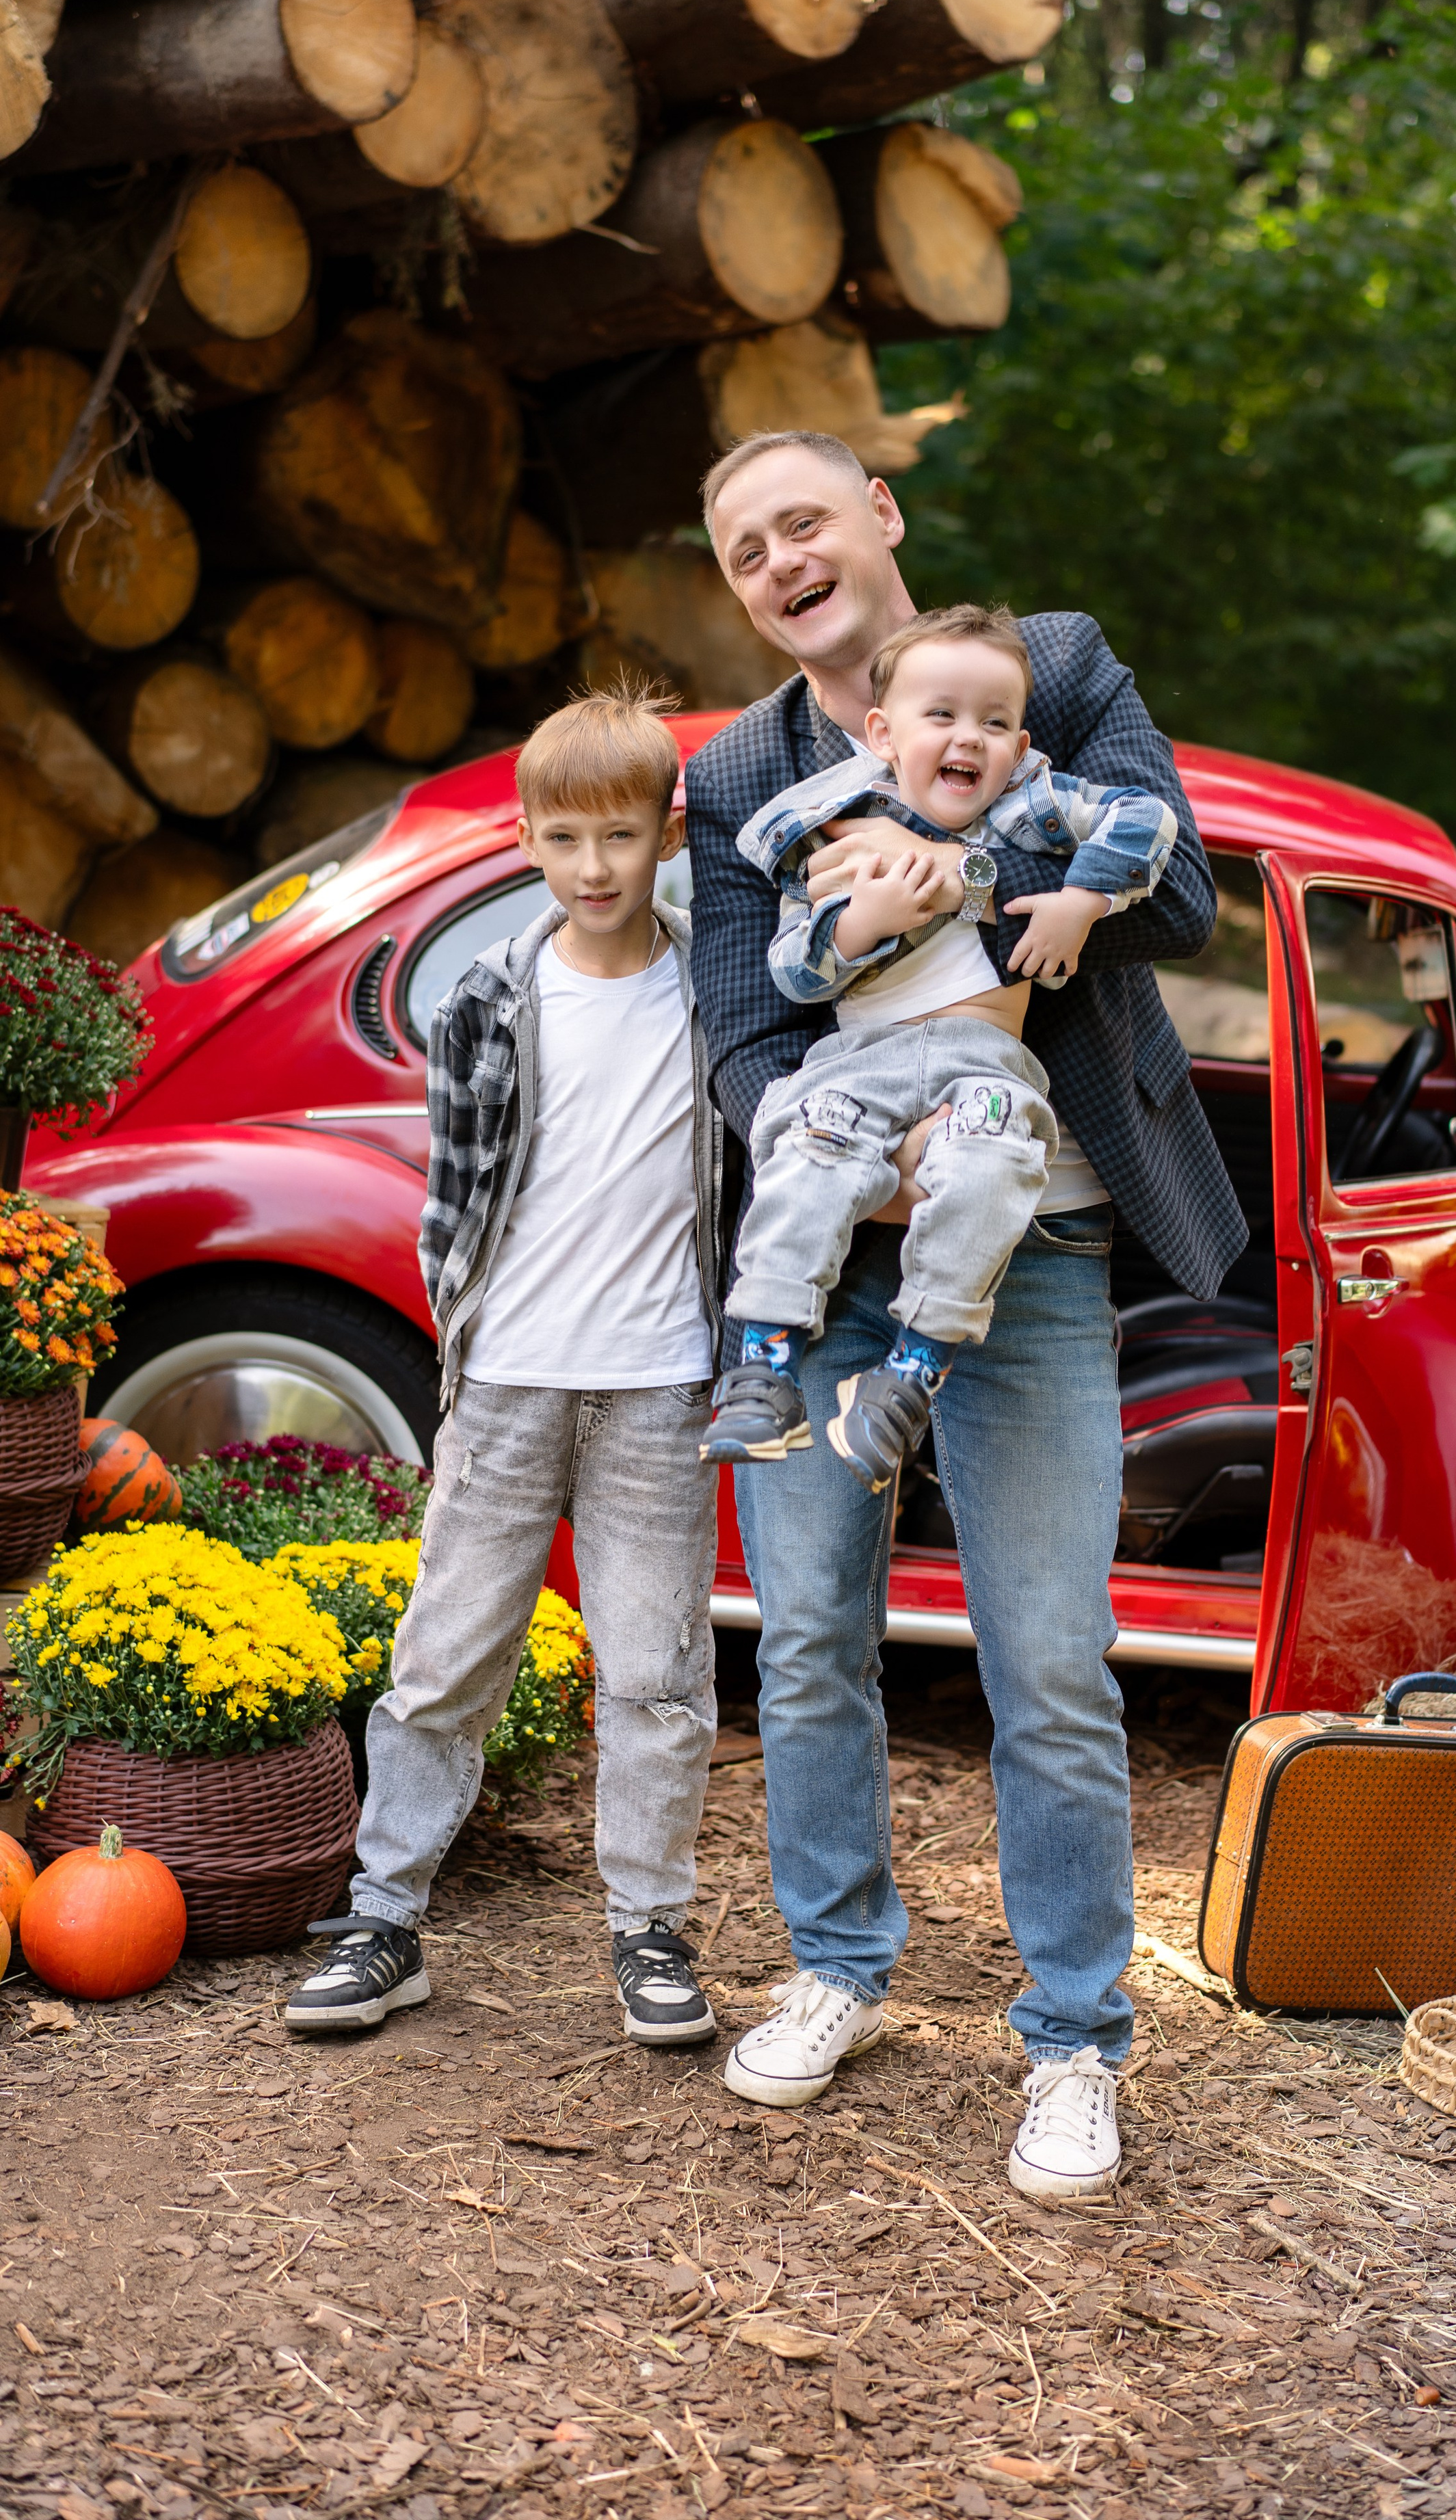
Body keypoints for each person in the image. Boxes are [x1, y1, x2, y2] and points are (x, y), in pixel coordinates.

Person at [685, 430, 1248, 2203]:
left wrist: (974, 888)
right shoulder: (736, 782)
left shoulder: (1049, 672)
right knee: (810, 1640)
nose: (783, 557)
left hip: (1048, 1254)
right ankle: (841, 1965)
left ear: (883, 517)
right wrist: (876, 1161)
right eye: (744, 546)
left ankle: (1075, 2038)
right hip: (841, 1265)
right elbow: (740, 1043)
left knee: (1052, 1658)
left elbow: (1182, 888)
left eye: (806, 519)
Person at [285, 687, 726, 2051]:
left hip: (659, 1382)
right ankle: (384, 1917)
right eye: (561, 839)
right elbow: (453, 1200)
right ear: (526, 841)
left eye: (617, 836)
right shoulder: (490, 994)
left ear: (666, 831)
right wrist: (464, 1354)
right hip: (510, 1380)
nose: (592, 867)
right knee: (443, 1658)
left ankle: (648, 1926)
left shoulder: (716, 985)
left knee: (654, 1671)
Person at [703, 601, 1180, 1496]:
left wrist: (1084, 898)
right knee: (805, 1151)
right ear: (883, 734)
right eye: (943, 718)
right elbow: (791, 976)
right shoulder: (836, 826)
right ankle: (764, 1363)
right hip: (863, 1061)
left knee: (996, 1164)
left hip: (982, 1065)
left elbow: (1149, 824)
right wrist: (857, 928)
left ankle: (910, 1377)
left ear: (1021, 742)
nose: (969, 739)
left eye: (994, 723)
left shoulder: (1035, 809)